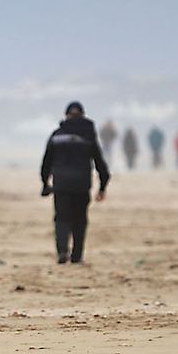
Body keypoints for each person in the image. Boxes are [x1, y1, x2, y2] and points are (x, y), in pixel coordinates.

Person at [40, 101, 110, 264]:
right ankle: (77, 255)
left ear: (66, 116)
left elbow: (46, 163)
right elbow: (100, 163)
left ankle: (62, 251)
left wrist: (45, 183)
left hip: (61, 184)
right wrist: (103, 186)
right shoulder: (88, 136)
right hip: (81, 184)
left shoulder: (57, 136)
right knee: (80, 219)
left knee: (62, 218)